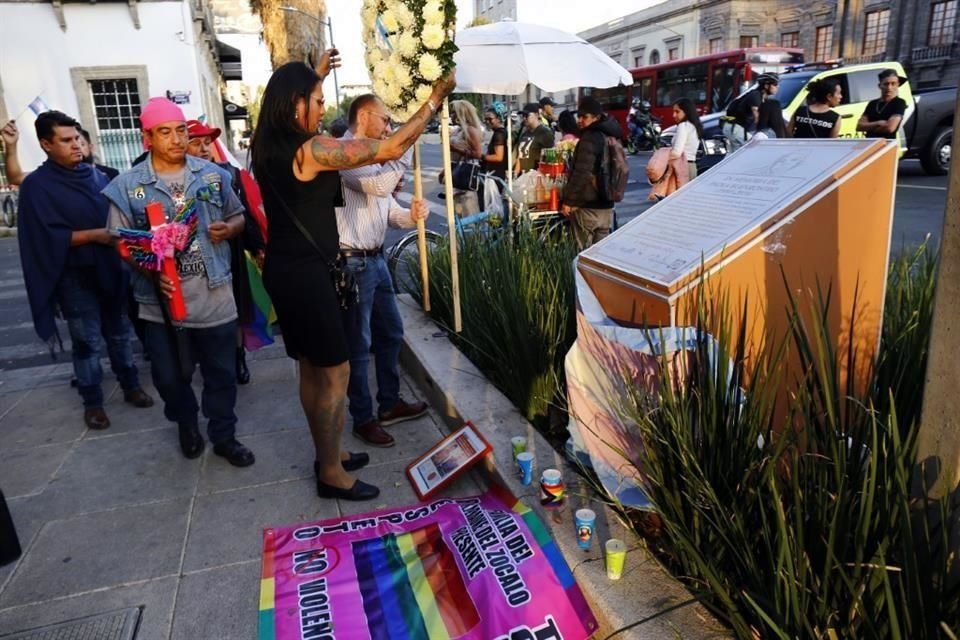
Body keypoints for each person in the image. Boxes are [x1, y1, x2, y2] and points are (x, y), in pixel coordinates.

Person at [249, 54, 455, 502]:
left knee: (311, 367)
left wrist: (315, 74)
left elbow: (296, 98)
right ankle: (330, 472)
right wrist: (435, 99)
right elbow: (392, 148)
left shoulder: (270, 144)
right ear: (295, 104)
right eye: (318, 100)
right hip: (308, 272)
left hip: (287, 268)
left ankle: (330, 452)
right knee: (337, 369)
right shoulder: (312, 150)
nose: (324, 109)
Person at [104, 97, 255, 468]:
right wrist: (152, 269)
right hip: (159, 304)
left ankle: (224, 435)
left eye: (180, 131)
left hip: (215, 294)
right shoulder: (129, 187)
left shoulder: (212, 175)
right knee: (170, 378)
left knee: (221, 373)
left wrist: (229, 228)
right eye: (165, 132)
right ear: (148, 138)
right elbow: (119, 240)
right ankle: (186, 424)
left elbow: (239, 217)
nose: (175, 139)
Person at [17, 110, 153, 430]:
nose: (76, 145)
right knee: (87, 342)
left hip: (111, 268)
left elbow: (120, 218)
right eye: (66, 140)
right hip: (74, 276)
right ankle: (93, 403)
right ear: (46, 144)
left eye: (77, 138)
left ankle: (131, 386)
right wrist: (95, 235)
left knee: (120, 334)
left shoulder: (98, 176)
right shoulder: (37, 186)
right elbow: (45, 237)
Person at [336, 94, 431, 449]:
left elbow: (390, 211)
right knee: (359, 345)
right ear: (364, 116)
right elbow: (377, 186)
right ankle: (363, 417)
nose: (389, 129)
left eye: (392, 124)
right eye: (386, 120)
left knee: (390, 333)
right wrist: (405, 146)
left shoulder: (375, 155)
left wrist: (413, 215)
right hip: (352, 261)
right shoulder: (344, 153)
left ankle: (389, 403)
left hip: (376, 258)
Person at [184, 119, 267, 385]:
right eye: (196, 142)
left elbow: (247, 215)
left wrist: (258, 248)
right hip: (194, 259)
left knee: (238, 309)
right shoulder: (177, 181)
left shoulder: (229, 173)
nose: (204, 148)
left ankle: (238, 358)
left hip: (231, 252)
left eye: (207, 142)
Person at [561, 96, 624, 249]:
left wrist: (569, 201)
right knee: (599, 257)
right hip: (607, 207)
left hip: (588, 206)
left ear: (596, 117)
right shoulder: (611, 134)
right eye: (579, 116)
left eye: (585, 117)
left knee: (581, 256)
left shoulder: (590, 137)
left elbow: (581, 173)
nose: (580, 120)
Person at [722, 73, 779, 151]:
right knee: (752, 151)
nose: (777, 87)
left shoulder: (759, 96)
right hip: (738, 130)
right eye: (775, 84)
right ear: (766, 85)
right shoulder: (756, 96)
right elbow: (757, 118)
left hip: (735, 128)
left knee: (735, 156)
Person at [448, 100, 483, 216]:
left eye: (454, 113)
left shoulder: (471, 130)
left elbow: (478, 154)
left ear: (461, 114)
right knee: (457, 212)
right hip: (456, 173)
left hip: (465, 174)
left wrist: (455, 148)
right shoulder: (458, 130)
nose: (451, 116)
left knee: (468, 212)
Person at [857, 69, 908, 140]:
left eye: (893, 84)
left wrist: (869, 128)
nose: (889, 88)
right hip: (869, 144)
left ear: (897, 85)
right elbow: (859, 126)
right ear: (880, 86)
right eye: (886, 84)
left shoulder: (899, 103)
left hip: (887, 144)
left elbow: (890, 128)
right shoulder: (872, 104)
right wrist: (878, 123)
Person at [514, 103, 554, 175]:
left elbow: (549, 158)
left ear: (536, 115)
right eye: (523, 116)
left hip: (536, 176)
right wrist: (515, 174)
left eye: (527, 115)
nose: (524, 118)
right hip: (523, 177)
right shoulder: (524, 134)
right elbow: (520, 157)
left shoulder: (545, 132)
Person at [669, 98, 703, 180]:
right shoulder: (694, 126)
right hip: (691, 166)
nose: (674, 115)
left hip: (681, 167)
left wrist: (661, 158)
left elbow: (676, 152)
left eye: (677, 112)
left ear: (686, 111)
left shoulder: (683, 126)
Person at [482, 102, 509, 182]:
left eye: (490, 119)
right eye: (485, 119)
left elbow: (498, 157)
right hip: (498, 172)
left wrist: (481, 156)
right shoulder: (502, 132)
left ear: (499, 118)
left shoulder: (499, 134)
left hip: (497, 174)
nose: (487, 122)